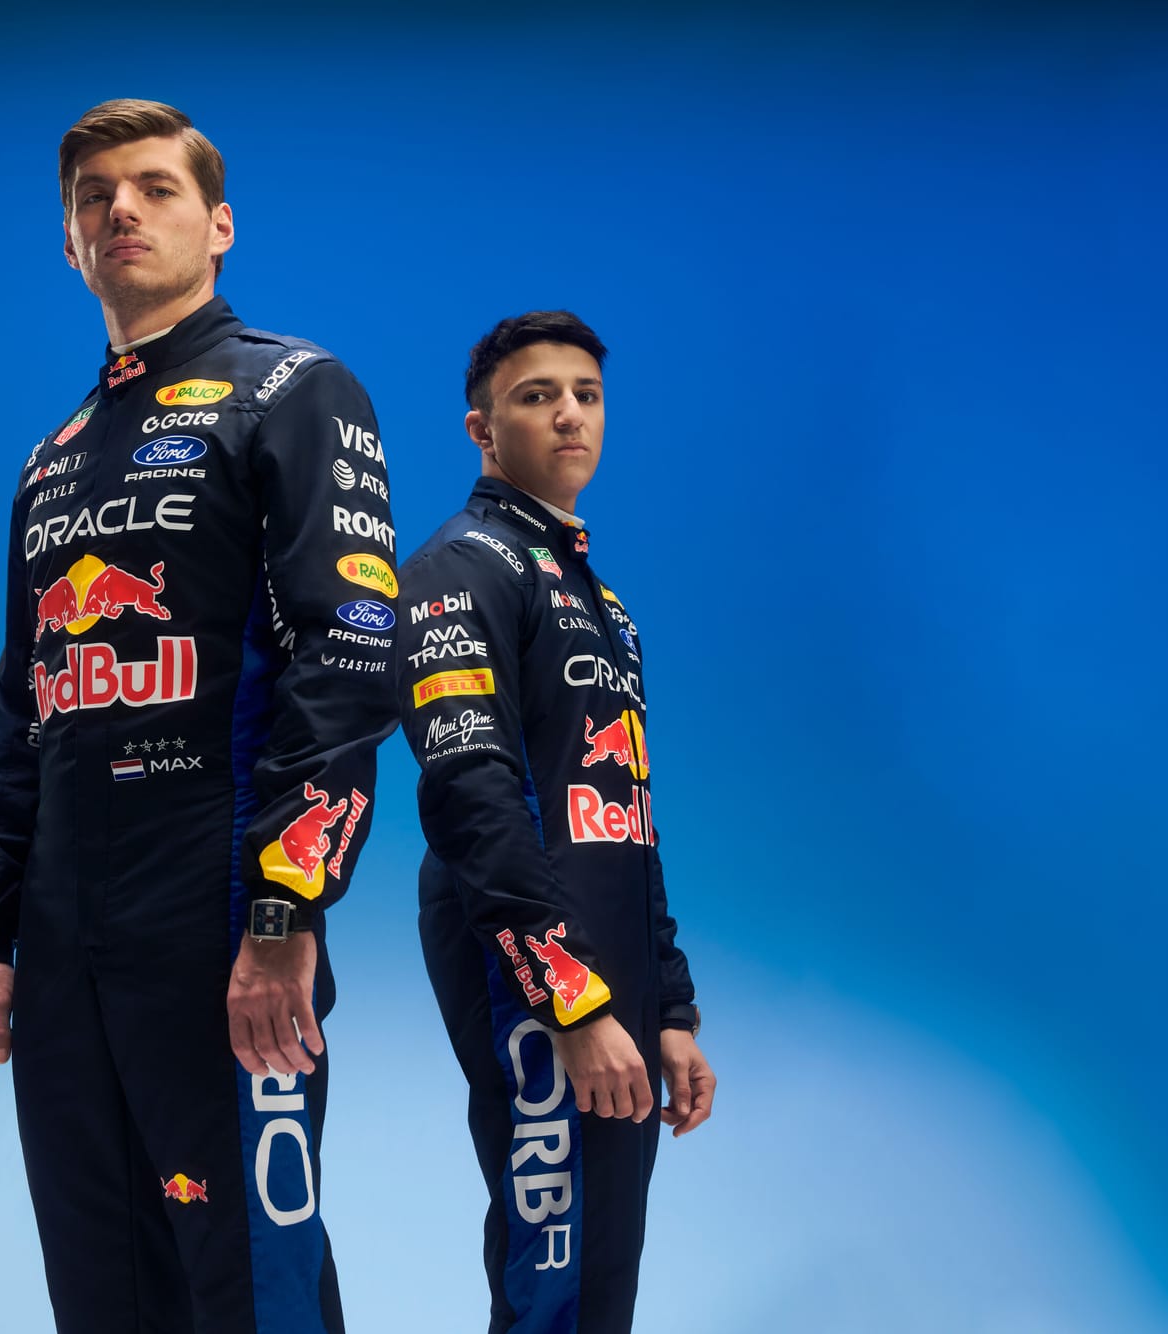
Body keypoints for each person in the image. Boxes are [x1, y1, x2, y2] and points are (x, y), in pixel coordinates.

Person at [0, 98, 397, 1333]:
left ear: (219, 223)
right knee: (103, 1283)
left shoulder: (293, 388)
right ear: (69, 242)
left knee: (250, 1274)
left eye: (153, 187)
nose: (121, 212)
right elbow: (23, 712)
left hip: (214, 906)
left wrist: (282, 911)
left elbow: (349, 655)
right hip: (62, 933)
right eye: (93, 198)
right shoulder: (52, 456)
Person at [394, 311, 716, 1333]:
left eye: (586, 394)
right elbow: (469, 794)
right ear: (482, 430)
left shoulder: (602, 603)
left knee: (599, 1265)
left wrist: (668, 1008)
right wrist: (568, 1000)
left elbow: (627, 814)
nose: (569, 413)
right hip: (528, 964)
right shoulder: (459, 566)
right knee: (555, 1265)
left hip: (609, 960)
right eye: (537, 396)